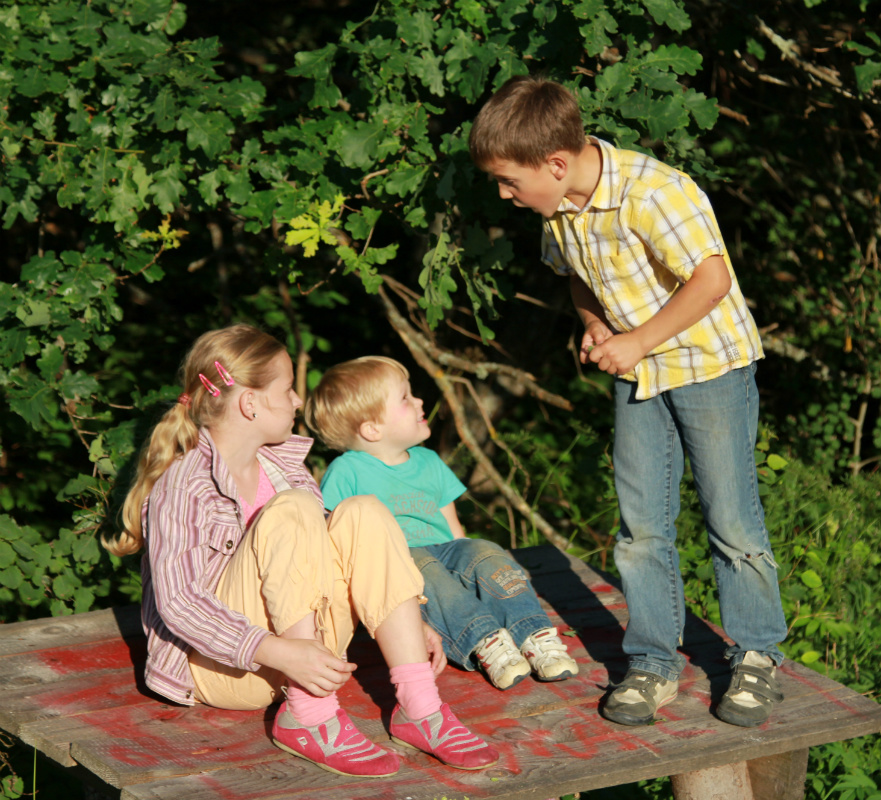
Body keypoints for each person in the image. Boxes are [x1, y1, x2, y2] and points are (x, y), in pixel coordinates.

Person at [468, 76, 787, 728]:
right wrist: (595, 326)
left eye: (508, 181)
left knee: (731, 523)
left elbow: (712, 278)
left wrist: (637, 339)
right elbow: (575, 277)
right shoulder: (556, 208)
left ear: (554, 164)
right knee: (640, 530)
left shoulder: (654, 191)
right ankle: (652, 662)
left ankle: (755, 655)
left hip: (707, 368)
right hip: (638, 377)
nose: (504, 195)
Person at [103, 324, 499, 778]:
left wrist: (408, 617)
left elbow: (340, 559)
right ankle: (310, 717)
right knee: (291, 510)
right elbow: (181, 604)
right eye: (289, 389)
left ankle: (420, 706)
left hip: (306, 658)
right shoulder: (185, 485)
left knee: (363, 511)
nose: (297, 401)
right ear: (249, 403)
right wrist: (278, 652)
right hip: (226, 668)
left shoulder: (285, 468)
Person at [303, 355, 579, 692]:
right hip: (398, 564)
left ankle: (535, 634)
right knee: (422, 566)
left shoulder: (429, 461)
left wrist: (477, 564)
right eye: (405, 398)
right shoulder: (347, 471)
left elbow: (454, 531)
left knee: (485, 550)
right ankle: (485, 641)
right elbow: (334, 537)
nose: (419, 401)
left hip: (446, 550)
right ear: (372, 429)